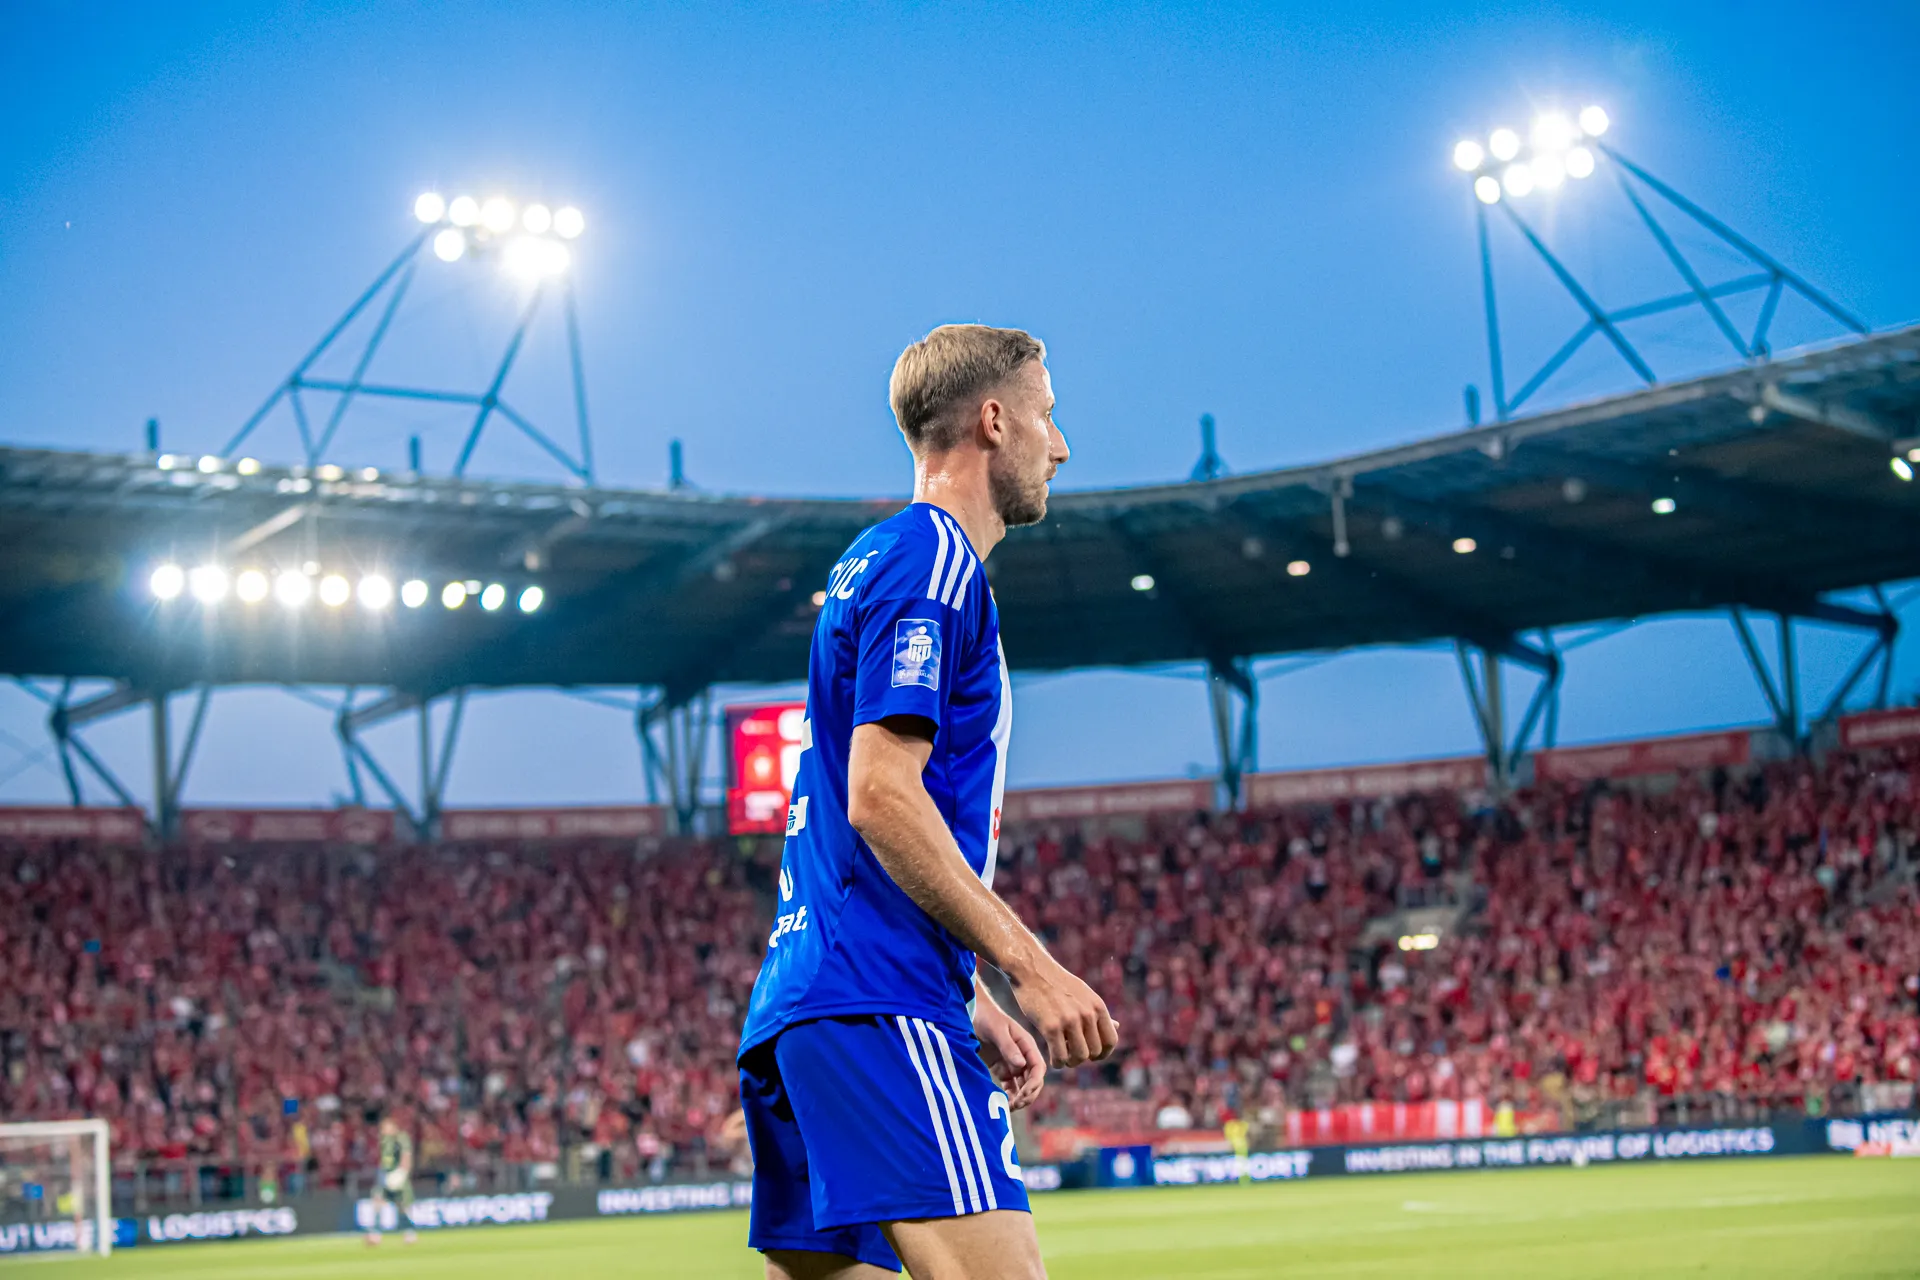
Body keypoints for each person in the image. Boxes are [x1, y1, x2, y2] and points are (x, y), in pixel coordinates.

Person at [738, 324, 1119, 1279]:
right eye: (1046, 416)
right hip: (878, 1000)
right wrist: (1029, 968)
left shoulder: (875, 560)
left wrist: (971, 994)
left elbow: (843, 804)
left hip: (810, 1003)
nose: (1060, 445)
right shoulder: (933, 562)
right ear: (994, 421)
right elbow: (879, 795)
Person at [364, 1113, 416, 1247]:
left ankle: (409, 1232)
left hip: (398, 1176)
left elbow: (406, 1156)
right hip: (384, 1176)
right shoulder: (384, 1140)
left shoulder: (401, 1138)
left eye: (385, 1127)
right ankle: (375, 1234)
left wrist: (401, 1173)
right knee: (377, 1201)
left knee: (401, 1206)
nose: (383, 1131)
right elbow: (383, 1160)